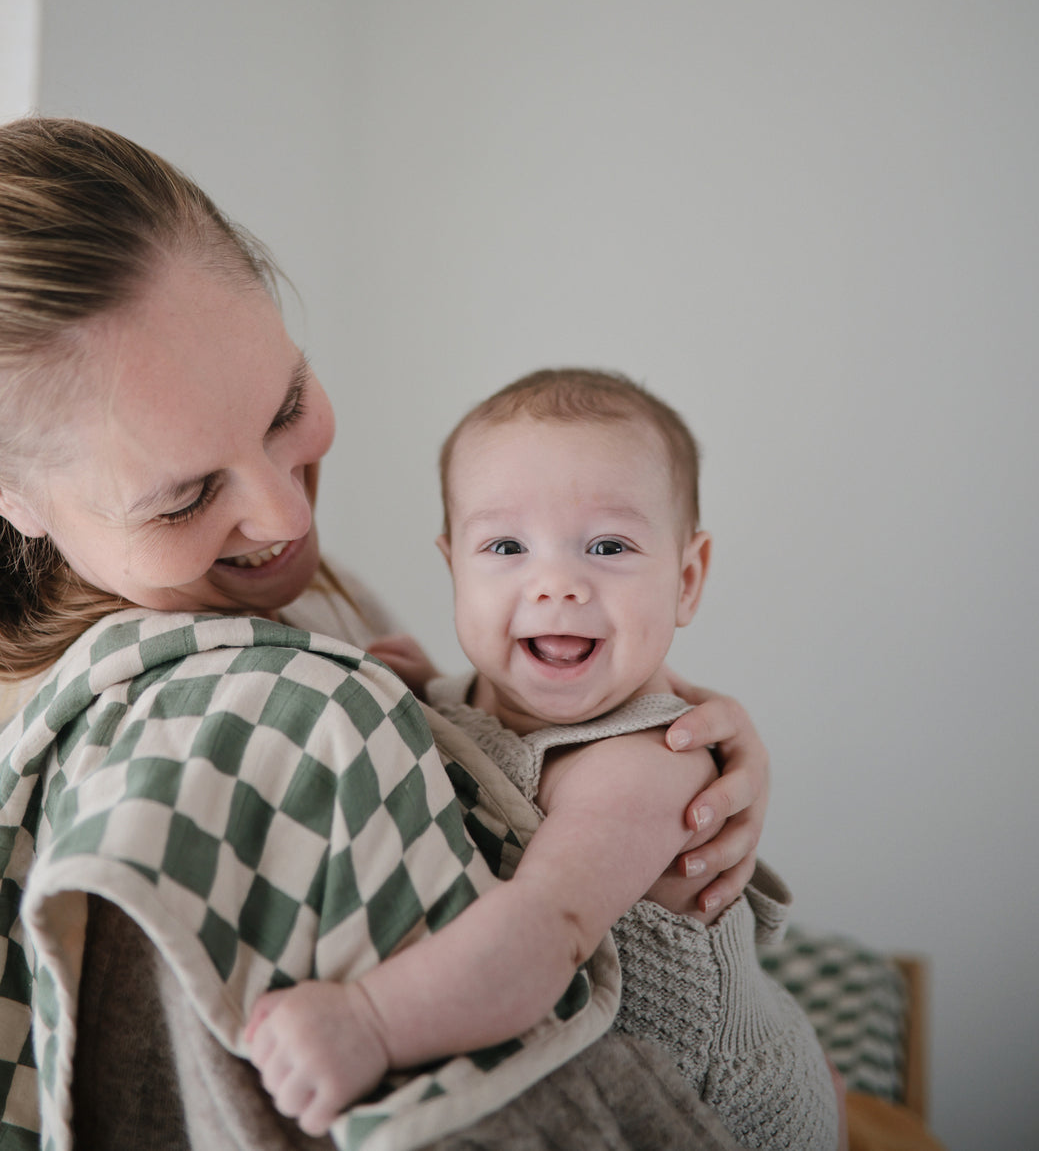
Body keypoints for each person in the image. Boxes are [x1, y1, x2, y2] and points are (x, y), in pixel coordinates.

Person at [0, 117, 773, 1151]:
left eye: (284, 405)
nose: (286, 519)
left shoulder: (315, 605)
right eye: (185, 494)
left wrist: (676, 731)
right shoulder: (240, 719)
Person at [245, 369, 843, 1150]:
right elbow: (491, 752)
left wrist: (370, 1023)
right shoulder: (471, 695)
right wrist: (424, 691)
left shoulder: (649, 763)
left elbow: (542, 936)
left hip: (720, 1113)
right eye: (505, 546)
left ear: (687, 579)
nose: (557, 583)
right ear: (455, 565)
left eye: (608, 546)